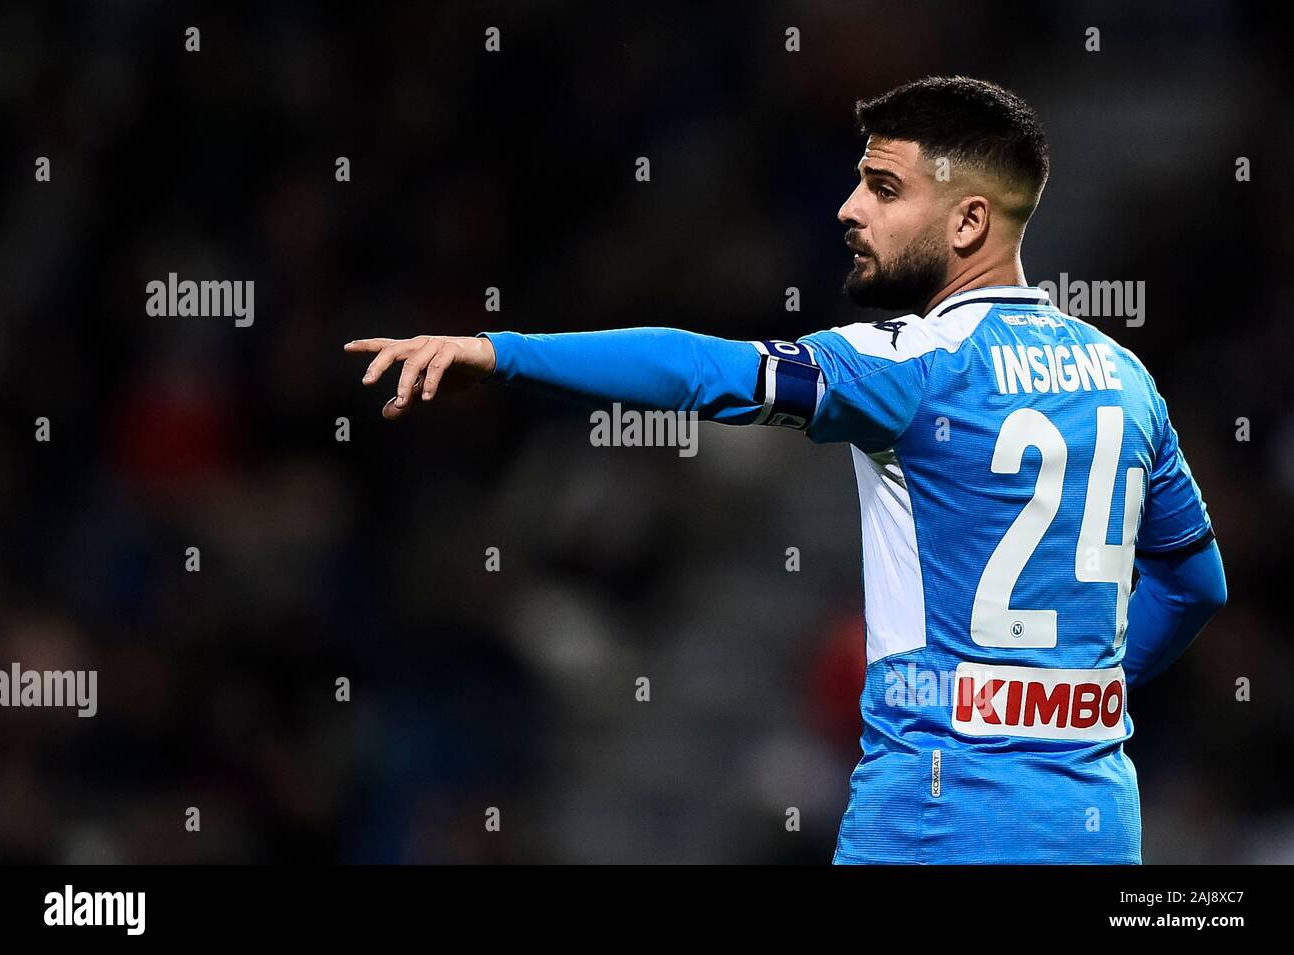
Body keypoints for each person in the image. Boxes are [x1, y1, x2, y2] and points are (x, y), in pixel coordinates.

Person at [345, 76, 1227, 863]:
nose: (849, 209)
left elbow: (705, 372)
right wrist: (1068, 707)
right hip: (1095, 819)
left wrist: (501, 352)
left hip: (936, 816)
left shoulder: (909, 363)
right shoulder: (1125, 378)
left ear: (968, 221)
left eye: (884, 188)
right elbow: (1195, 585)